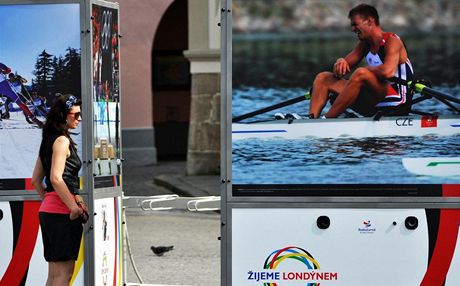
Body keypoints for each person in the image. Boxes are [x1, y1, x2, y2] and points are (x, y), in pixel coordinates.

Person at [309, 3, 414, 118]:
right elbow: (340, 70)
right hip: (373, 101)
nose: (353, 29)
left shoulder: (392, 41)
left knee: (361, 73)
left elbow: (387, 72)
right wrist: (340, 61)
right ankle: (311, 120)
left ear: (370, 21)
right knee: (323, 78)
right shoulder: (364, 45)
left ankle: (327, 120)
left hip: (396, 102)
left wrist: (367, 69)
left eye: (355, 24)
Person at [31, 94, 86, 285]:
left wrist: (49, 201)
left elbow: (36, 180)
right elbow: (55, 178)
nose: (79, 118)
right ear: (64, 114)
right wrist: (73, 207)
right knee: (64, 275)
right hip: (63, 213)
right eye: (76, 114)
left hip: (49, 212)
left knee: (54, 274)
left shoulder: (48, 140)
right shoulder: (62, 141)